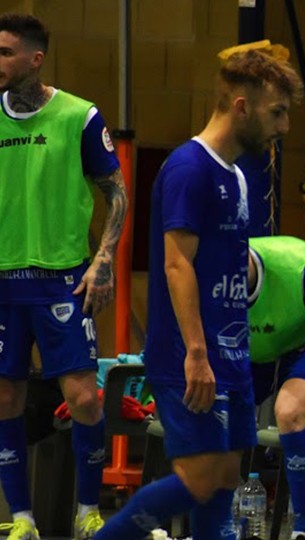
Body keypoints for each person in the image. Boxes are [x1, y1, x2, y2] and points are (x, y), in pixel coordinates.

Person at [94, 49, 302, 539]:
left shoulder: (236, 174)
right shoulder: (190, 167)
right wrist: (195, 353)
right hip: (189, 357)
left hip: (231, 355)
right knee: (200, 477)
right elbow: (176, 263)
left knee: (226, 477)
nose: (286, 127)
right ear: (241, 106)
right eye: (277, 113)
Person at [0, 13, 128, 540]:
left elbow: (114, 191)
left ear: (36, 58)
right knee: (5, 399)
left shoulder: (80, 115)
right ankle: (23, 521)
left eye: (6, 52)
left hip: (62, 280)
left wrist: (104, 261)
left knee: (84, 398)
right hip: (5, 281)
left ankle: (86, 514)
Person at [247, 235, 305, 540]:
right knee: (212, 409)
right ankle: (216, 521)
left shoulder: (302, 265)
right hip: (252, 352)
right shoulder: (195, 278)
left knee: (290, 411)